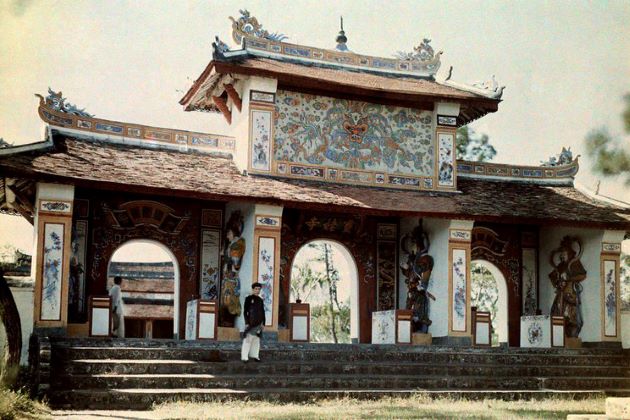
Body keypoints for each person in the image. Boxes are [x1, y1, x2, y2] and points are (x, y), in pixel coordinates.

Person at [241, 282, 265, 363]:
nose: (257, 290)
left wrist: (263, 323)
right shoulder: (248, 298)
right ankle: (244, 357)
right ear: (253, 289)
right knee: (248, 339)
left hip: (259, 323)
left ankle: (255, 356)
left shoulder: (261, 300)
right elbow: (245, 312)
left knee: (256, 340)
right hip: (251, 322)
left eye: (259, 289)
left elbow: (263, 312)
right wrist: (246, 322)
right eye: (256, 289)